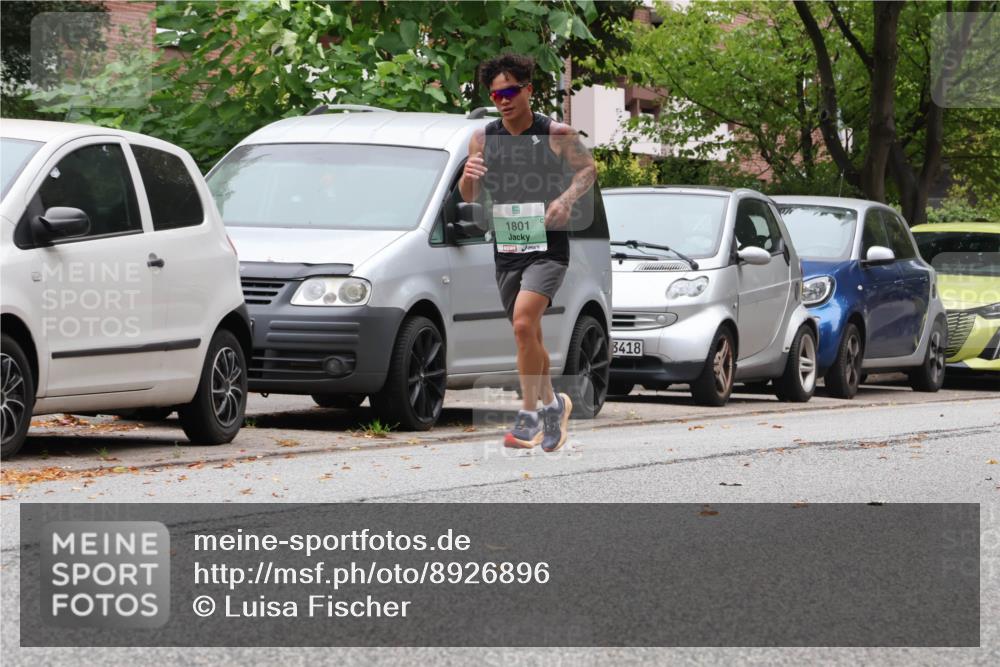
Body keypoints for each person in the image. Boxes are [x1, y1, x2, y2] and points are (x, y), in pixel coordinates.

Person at [459, 53, 596, 452]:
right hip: (507, 245)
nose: (503, 101)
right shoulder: (483, 139)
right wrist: (468, 177)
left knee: (522, 324)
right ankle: (555, 405)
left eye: (510, 92)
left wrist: (566, 199)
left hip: (548, 247)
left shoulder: (556, 133)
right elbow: (470, 195)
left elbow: (588, 170)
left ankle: (529, 415)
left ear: (528, 90)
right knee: (528, 334)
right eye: (496, 95)